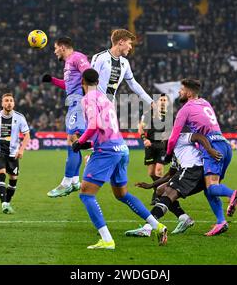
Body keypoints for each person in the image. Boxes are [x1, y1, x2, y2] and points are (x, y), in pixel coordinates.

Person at [72, 69, 168, 249]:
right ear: (98, 81)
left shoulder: (88, 99)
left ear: (82, 81)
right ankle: (158, 226)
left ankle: (107, 239)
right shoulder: (105, 98)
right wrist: (89, 143)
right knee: (121, 194)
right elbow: (105, 127)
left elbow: (93, 125)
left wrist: (80, 142)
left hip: (107, 151)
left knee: (86, 194)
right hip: (121, 148)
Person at [164, 79, 237, 236]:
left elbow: (173, 137)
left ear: (189, 92)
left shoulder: (185, 109)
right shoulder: (205, 103)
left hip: (212, 146)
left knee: (212, 187)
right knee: (209, 189)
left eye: (181, 89)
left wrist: (167, 154)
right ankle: (221, 222)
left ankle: (232, 194)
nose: (179, 92)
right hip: (224, 144)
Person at [125, 132, 223, 236]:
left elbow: (199, 136)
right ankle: (184, 218)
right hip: (195, 175)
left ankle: (147, 227)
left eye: (164, 139)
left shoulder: (180, 138)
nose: (162, 142)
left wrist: (209, 149)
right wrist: (151, 185)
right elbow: (169, 175)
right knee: (160, 190)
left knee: (168, 193)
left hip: (193, 170)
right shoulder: (174, 153)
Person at [42, 37, 91, 198]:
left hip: (79, 101)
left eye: (55, 48)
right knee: (73, 140)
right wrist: (52, 80)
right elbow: (68, 85)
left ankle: (66, 182)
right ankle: (75, 181)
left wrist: (88, 96)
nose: (54, 51)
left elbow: (89, 74)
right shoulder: (68, 63)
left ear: (62, 47)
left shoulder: (77, 57)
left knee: (73, 138)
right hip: (73, 101)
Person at [91, 29, 153, 105]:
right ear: (121, 42)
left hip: (110, 107)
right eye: (129, 43)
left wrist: (151, 102)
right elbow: (90, 83)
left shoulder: (125, 63)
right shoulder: (100, 57)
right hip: (95, 105)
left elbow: (133, 84)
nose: (130, 47)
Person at [138, 93, 171, 205]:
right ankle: (159, 187)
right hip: (149, 145)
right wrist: (144, 139)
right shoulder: (149, 114)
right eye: (160, 99)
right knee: (151, 172)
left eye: (164, 100)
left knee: (159, 170)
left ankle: (156, 195)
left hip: (162, 146)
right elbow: (140, 127)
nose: (162, 101)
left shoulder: (170, 116)